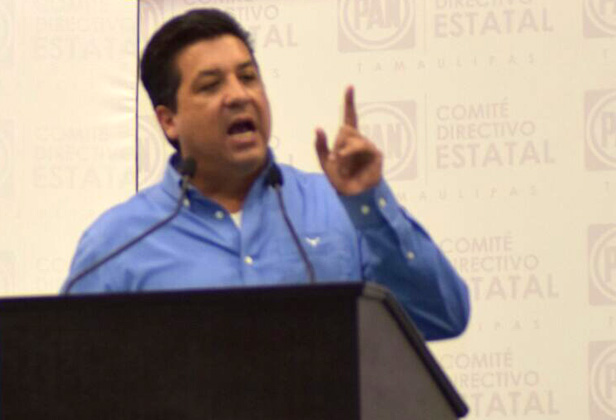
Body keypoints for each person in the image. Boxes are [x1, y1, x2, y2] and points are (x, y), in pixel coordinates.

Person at [62, 8, 469, 340]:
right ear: (169, 121)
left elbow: (442, 316)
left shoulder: (338, 210)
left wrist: (369, 204)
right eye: (210, 86)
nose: (239, 95)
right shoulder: (119, 242)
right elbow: (68, 377)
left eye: (248, 77)